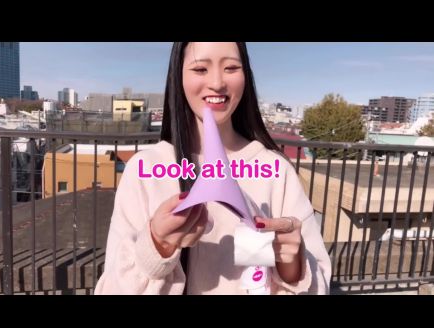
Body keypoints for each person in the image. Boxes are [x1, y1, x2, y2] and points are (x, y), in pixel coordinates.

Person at [95, 42, 331, 295]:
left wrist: (292, 267)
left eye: (231, 67)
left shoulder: (276, 170)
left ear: (246, 76)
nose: (217, 82)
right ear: (179, 76)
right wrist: (156, 246)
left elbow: (320, 286)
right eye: (200, 69)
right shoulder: (145, 170)